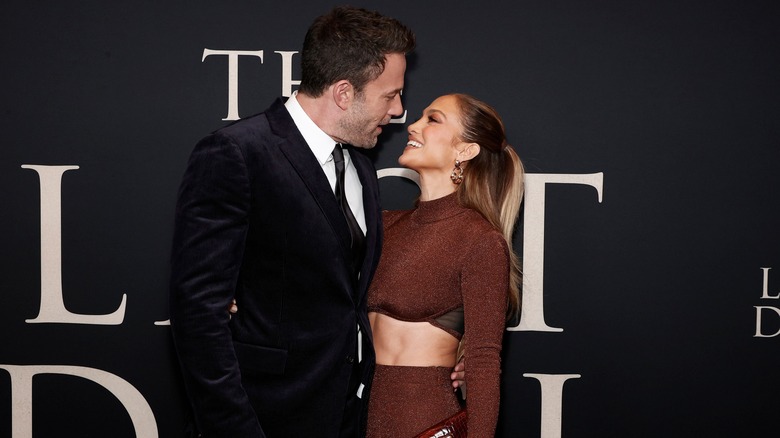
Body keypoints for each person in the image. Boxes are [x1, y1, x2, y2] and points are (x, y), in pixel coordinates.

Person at [169, 6, 415, 437]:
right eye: (389, 95)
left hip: (345, 419)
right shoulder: (238, 154)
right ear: (343, 93)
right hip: (265, 419)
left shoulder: (359, 165)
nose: (398, 110)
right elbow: (198, 315)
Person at [365, 93, 524, 437]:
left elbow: (482, 361)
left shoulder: (480, 240)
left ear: (466, 150)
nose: (413, 125)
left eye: (432, 119)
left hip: (421, 419)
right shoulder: (385, 225)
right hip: (357, 416)